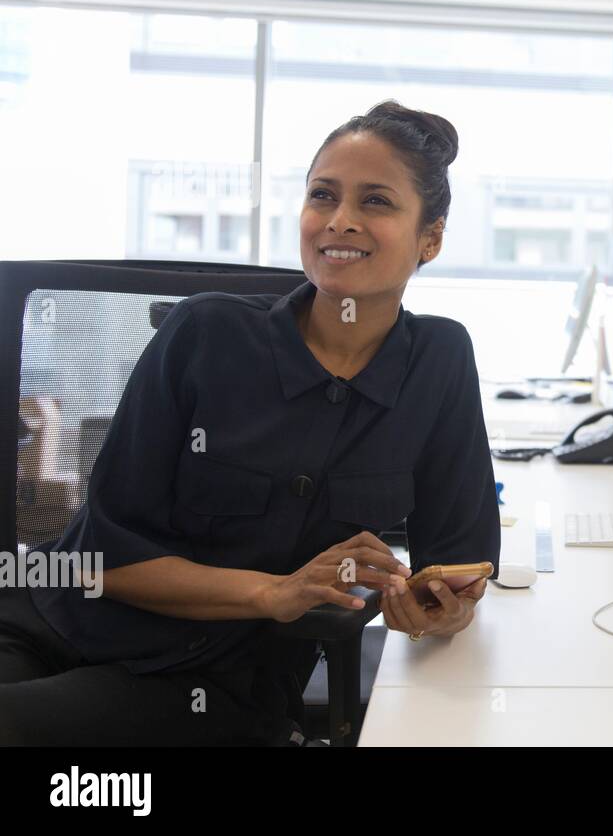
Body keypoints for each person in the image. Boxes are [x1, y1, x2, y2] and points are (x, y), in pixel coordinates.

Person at [0, 100, 500, 745]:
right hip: (52, 627)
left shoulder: (439, 359)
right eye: (323, 195)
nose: (339, 221)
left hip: (213, 684)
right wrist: (276, 591)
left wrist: (437, 609)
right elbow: (102, 560)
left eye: (375, 201)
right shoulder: (207, 333)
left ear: (429, 238)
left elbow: (459, 568)